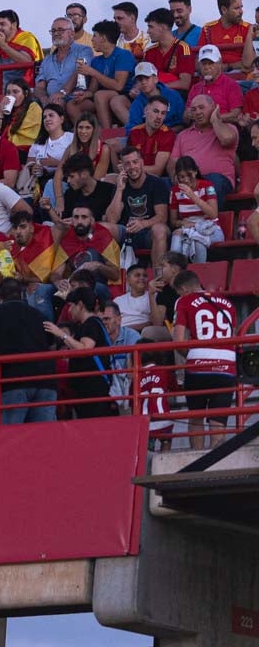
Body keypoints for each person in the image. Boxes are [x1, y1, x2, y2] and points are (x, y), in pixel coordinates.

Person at [0, 278, 57, 424]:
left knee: (10, 439)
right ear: (22, 295)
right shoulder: (39, 315)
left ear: (0, 298)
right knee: (43, 439)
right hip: (46, 383)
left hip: (12, 383)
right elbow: (51, 346)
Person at [171, 269, 237, 449]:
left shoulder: (184, 301)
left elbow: (179, 342)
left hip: (197, 364)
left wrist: (190, 352)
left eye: (178, 292)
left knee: (196, 416)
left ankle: (197, 462)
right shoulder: (228, 303)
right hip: (226, 364)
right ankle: (216, 463)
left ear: (184, 289)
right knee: (218, 418)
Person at [43, 286, 116, 419]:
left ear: (80, 305)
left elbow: (85, 349)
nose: (69, 310)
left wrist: (61, 334)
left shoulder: (91, 324)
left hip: (93, 389)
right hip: (89, 387)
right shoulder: (91, 324)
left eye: (71, 306)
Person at [106, 145, 170, 258]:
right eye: (127, 164)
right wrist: (120, 189)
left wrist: (143, 224)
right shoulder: (120, 185)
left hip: (149, 232)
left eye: (135, 162)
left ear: (142, 162)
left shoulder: (157, 183)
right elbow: (112, 219)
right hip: (127, 231)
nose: (132, 167)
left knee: (159, 229)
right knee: (105, 228)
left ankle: (159, 274)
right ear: (122, 167)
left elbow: (162, 217)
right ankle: (111, 273)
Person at [70, 19, 136, 129]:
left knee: (101, 95)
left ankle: (107, 134)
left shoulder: (123, 55)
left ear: (104, 39)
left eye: (95, 36)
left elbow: (118, 86)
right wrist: (85, 94)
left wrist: (92, 72)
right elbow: (93, 90)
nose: (92, 39)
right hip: (101, 97)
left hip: (125, 96)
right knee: (73, 104)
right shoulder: (97, 61)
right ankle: (89, 135)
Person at [170, 96, 237, 204]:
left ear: (213, 107)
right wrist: (176, 177)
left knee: (213, 182)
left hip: (218, 180)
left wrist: (215, 119)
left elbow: (226, 139)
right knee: (160, 184)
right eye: (194, 109)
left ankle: (210, 220)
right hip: (189, 180)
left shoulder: (228, 128)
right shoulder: (183, 135)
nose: (198, 112)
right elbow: (174, 161)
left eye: (201, 108)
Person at [169, 156, 223, 263]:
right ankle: (175, 273)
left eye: (189, 175)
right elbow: (173, 221)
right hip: (188, 228)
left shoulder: (207, 186)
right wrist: (181, 223)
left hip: (209, 228)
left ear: (195, 171)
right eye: (182, 177)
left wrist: (192, 196)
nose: (186, 180)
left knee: (197, 241)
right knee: (176, 236)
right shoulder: (175, 191)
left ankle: (200, 271)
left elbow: (213, 214)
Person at [35, 16, 94, 104]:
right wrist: (44, 98)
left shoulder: (83, 50)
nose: (55, 34)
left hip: (76, 98)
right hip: (51, 101)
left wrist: (63, 92)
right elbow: (40, 87)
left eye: (60, 30)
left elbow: (80, 70)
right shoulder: (47, 60)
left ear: (71, 34)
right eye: (53, 31)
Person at [0, 9, 42, 87]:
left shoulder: (27, 38)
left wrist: (3, 46)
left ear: (14, 25)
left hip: (25, 86)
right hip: (2, 87)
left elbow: (27, 62)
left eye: (2, 24)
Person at [141, 8, 195, 95]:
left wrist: (159, 88)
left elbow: (185, 84)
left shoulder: (183, 48)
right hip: (150, 95)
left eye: (151, 27)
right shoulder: (149, 51)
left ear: (163, 27)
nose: (148, 31)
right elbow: (142, 79)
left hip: (172, 96)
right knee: (118, 100)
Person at [188, 45, 244, 124]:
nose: (207, 67)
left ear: (220, 63)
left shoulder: (231, 85)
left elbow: (236, 114)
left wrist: (210, 118)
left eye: (211, 63)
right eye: (204, 64)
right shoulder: (196, 88)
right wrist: (190, 114)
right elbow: (186, 116)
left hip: (223, 127)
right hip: (199, 130)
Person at [197, 0, 251, 71]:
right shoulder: (208, 29)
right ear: (224, 10)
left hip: (242, 79)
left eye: (241, 7)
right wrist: (231, 66)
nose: (241, 11)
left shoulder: (248, 28)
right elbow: (199, 63)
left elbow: (250, 63)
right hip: (214, 78)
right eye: (236, 8)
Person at [126, 94, 176, 180]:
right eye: (156, 111)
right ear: (146, 111)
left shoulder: (168, 134)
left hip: (153, 180)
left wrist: (129, 169)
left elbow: (157, 171)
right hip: (133, 176)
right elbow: (127, 160)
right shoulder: (135, 132)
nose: (159, 117)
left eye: (163, 113)